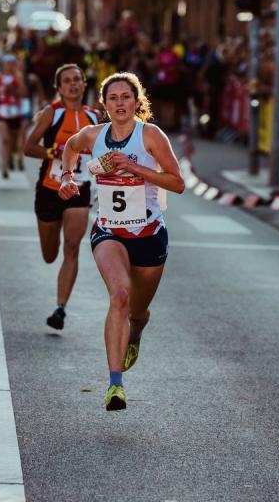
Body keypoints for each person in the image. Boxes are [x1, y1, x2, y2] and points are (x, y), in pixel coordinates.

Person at [58, 72, 185, 411]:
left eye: (125, 97)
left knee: (138, 311)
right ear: (105, 104)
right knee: (120, 296)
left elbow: (178, 183)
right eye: (112, 98)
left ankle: (138, 330)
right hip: (109, 231)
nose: (119, 103)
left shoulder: (151, 136)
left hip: (148, 234)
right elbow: (70, 148)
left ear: (136, 101)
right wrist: (67, 177)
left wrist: (136, 168)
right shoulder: (94, 135)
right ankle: (115, 385)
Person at [23, 64, 100, 331]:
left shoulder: (94, 116)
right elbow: (28, 147)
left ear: (84, 84)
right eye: (67, 81)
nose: (73, 84)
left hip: (79, 189)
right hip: (50, 188)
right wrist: (52, 153)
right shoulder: (51, 114)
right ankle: (50, 253)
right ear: (59, 88)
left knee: (72, 246)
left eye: (77, 79)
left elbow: (103, 150)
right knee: (49, 254)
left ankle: (60, 308)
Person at [0, 55, 28, 178]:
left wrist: (13, 89)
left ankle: (15, 157)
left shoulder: (18, 77)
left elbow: (23, 93)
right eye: (6, 63)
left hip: (15, 113)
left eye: (11, 63)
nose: (8, 66)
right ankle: (4, 167)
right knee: (4, 140)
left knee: (15, 141)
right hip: (2, 113)